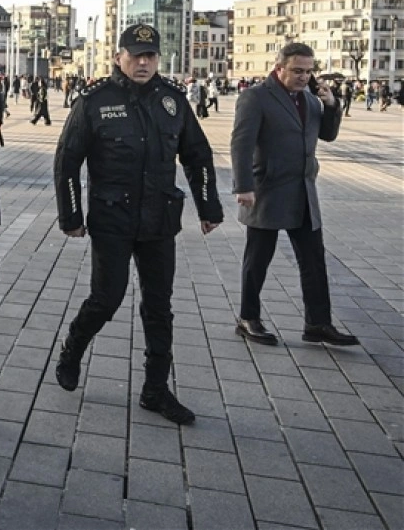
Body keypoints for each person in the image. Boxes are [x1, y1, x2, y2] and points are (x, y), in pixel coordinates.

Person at [53, 24, 223, 426]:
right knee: (106, 299)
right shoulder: (95, 102)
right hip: (112, 219)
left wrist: (207, 206)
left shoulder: (172, 100)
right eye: (135, 55)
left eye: (150, 56)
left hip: (159, 221)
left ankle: (155, 389)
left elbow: (197, 155)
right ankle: (73, 348)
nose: (143, 62)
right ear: (119, 57)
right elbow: (66, 163)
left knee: (159, 306)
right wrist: (71, 217)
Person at [230, 43, 358, 347]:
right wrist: (243, 186)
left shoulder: (311, 101)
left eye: (308, 71)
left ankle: (318, 323)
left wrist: (331, 105)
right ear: (280, 68)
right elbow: (241, 144)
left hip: (304, 192)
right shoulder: (256, 97)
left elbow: (327, 134)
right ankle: (249, 318)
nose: (304, 77)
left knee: (314, 260)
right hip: (267, 190)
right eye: (297, 70)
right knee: (258, 260)